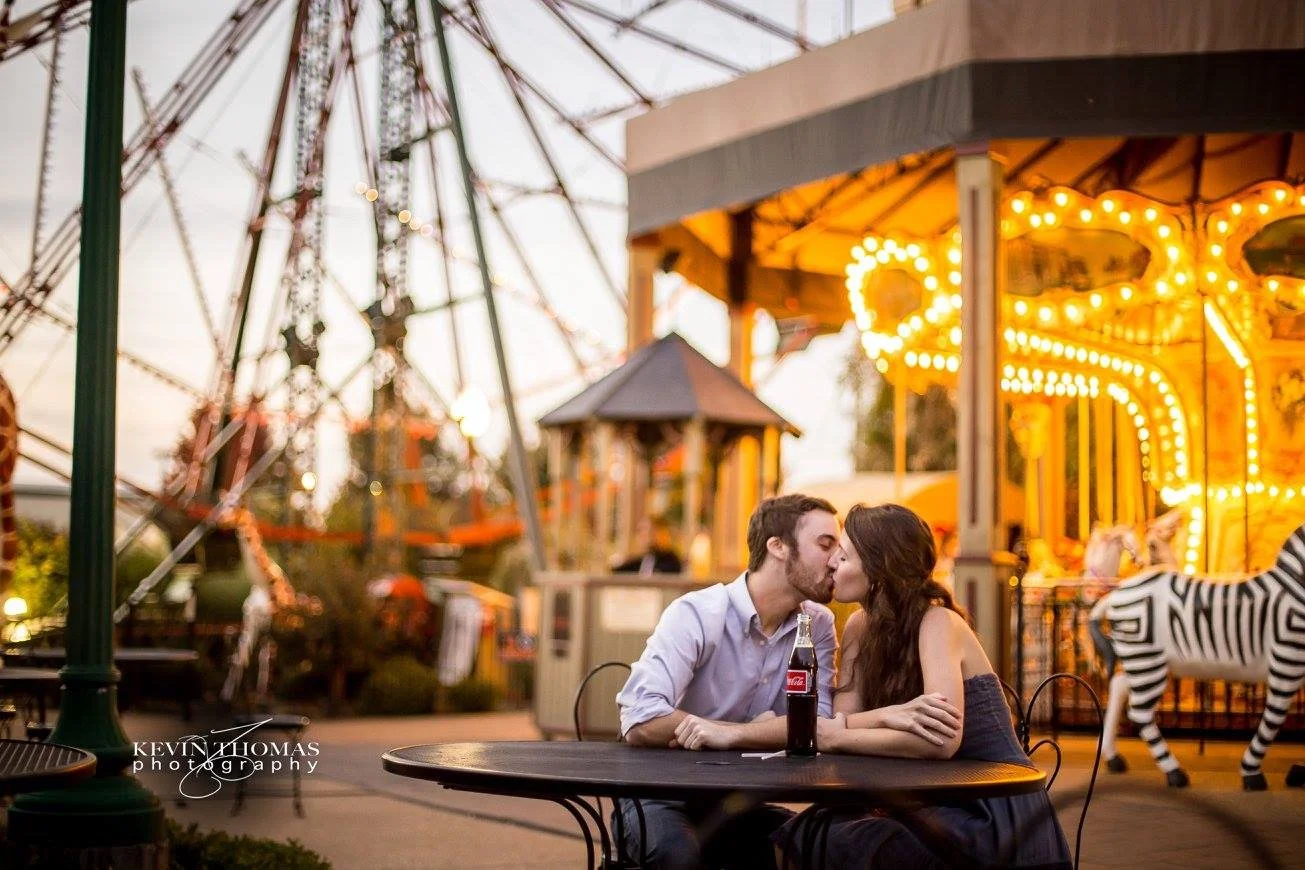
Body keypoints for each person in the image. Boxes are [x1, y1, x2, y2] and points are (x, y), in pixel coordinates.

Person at [776, 503, 1072, 869]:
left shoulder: (938, 622)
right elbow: (844, 718)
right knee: (804, 831)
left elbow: (940, 740)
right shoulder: (859, 628)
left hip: (987, 811)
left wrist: (834, 735)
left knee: (849, 840)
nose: (833, 562)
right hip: (923, 801)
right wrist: (889, 716)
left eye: (845, 554)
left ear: (879, 568)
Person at [614, 494, 840, 869]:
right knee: (679, 856)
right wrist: (750, 729)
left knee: (821, 845)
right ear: (778, 547)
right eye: (825, 544)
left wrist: (728, 734)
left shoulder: (816, 625)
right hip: (659, 792)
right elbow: (639, 718)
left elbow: (818, 726)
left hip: (739, 800)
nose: (836, 560)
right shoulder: (698, 613)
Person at [613, 515, 684, 575]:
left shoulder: (670, 560)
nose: (641, 536)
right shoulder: (646, 558)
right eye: (639, 532)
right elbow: (620, 569)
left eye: (647, 532)